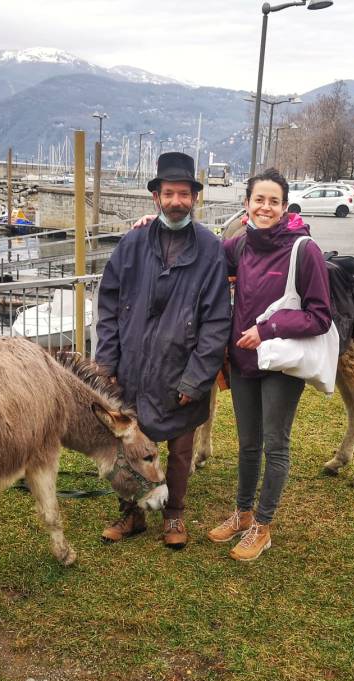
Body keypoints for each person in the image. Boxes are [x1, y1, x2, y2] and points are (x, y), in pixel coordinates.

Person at [95, 152, 231, 550]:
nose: (176, 201)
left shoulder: (210, 250)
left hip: (181, 370)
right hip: (132, 370)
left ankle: (174, 516)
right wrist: (107, 361)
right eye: (169, 193)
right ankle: (131, 513)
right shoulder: (133, 243)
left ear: (194, 199)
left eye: (184, 194)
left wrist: (196, 377)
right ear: (156, 197)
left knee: (180, 450)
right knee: (129, 447)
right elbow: (107, 305)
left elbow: (216, 322)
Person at [206, 168, 333, 561]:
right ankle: (242, 513)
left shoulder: (303, 249)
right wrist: (150, 226)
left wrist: (269, 328)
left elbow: (320, 315)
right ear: (246, 204)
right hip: (243, 360)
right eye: (258, 199)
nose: (265, 207)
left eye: (273, 201)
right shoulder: (241, 245)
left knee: (275, 445)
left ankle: (263, 524)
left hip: (281, 361)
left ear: (284, 206)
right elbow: (199, 251)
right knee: (247, 444)